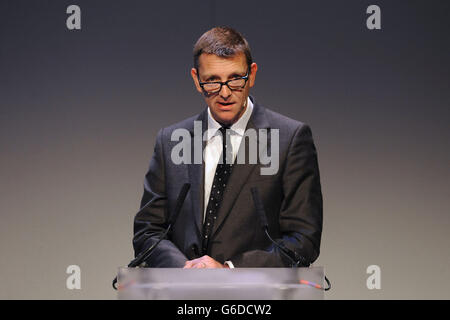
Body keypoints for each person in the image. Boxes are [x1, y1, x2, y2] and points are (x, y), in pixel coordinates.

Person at [133, 26, 323, 269]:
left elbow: (303, 240)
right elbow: (148, 231)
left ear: (252, 74)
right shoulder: (171, 140)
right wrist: (185, 270)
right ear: (196, 79)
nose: (224, 93)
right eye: (212, 81)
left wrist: (229, 270)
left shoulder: (289, 139)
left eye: (235, 79)